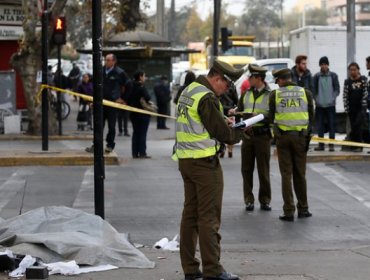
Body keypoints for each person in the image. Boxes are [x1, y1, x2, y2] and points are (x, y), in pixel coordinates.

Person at [173, 60, 244, 280]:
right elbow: (223, 133)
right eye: (227, 84)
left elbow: (201, 120)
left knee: (190, 215)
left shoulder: (190, 90)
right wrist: (241, 130)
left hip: (186, 160)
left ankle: (190, 269)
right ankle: (213, 271)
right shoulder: (207, 96)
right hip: (204, 164)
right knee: (209, 217)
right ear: (217, 78)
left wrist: (222, 115)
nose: (227, 89)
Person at [269, 68, 314, 222]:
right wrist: (307, 136)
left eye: (278, 82)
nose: (278, 85)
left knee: (286, 175)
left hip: (283, 139)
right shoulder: (305, 93)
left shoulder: (275, 94)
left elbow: (271, 117)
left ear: (281, 80)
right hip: (300, 138)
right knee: (300, 174)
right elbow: (311, 117)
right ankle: (303, 208)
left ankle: (288, 211)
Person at [231, 64, 272, 212]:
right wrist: (235, 114)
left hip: (262, 136)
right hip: (248, 137)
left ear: (259, 78)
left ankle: (265, 200)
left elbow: (273, 115)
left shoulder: (270, 94)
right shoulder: (246, 93)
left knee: (263, 170)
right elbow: (240, 111)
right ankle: (248, 200)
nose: (249, 79)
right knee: (246, 169)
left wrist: (259, 117)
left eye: (251, 77)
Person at [85, 53, 127, 153]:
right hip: (100, 104)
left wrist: (123, 99)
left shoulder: (120, 72)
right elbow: (94, 87)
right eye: (106, 60)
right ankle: (96, 145)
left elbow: (128, 85)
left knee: (111, 126)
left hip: (112, 104)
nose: (106, 62)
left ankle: (110, 145)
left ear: (114, 61)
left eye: (108, 60)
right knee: (98, 125)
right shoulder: (100, 71)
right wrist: (91, 101)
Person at [312, 56, 340, 152]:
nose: (324, 66)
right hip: (319, 106)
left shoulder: (333, 76)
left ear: (328, 65)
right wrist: (316, 99)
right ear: (320, 65)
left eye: (325, 64)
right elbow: (313, 90)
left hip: (330, 105)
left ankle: (331, 145)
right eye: (322, 64)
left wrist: (333, 98)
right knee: (320, 126)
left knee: (332, 125)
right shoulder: (316, 76)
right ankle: (321, 145)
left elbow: (337, 89)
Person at [343, 62, 368, 152]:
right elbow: (345, 95)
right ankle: (354, 145)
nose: (353, 71)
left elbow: (365, 93)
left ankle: (359, 145)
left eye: (354, 70)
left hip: (361, 108)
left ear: (358, 70)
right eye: (351, 70)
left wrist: (364, 106)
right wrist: (346, 108)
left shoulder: (363, 80)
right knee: (353, 127)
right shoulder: (347, 82)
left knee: (358, 125)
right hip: (351, 108)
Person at [127, 70, 151, 159]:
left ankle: (134, 153)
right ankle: (142, 153)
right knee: (142, 133)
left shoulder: (130, 86)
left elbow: (127, 98)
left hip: (133, 113)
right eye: (144, 76)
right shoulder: (141, 86)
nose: (144, 78)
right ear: (140, 77)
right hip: (142, 113)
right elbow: (148, 97)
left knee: (135, 133)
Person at [219, 85, 239, 158]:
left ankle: (222, 149)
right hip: (230, 111)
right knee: (231, 129)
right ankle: (230, 150)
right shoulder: (233, 87)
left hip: (221, 110)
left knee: (221, 129)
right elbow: (236, 100)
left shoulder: (219, 86)